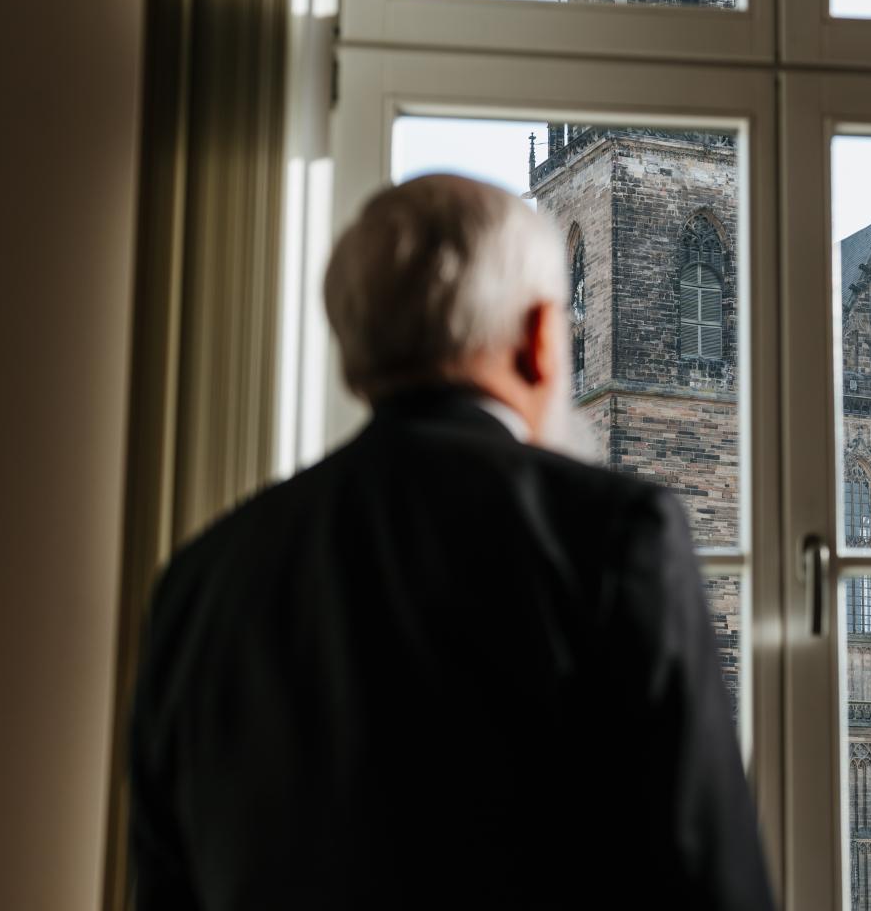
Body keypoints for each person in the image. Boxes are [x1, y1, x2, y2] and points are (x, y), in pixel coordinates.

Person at [128, 175, 772, 910]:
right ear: (538, 341)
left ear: (355, 353)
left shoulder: (202, 577)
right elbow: (711, 881)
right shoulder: (613, 536)